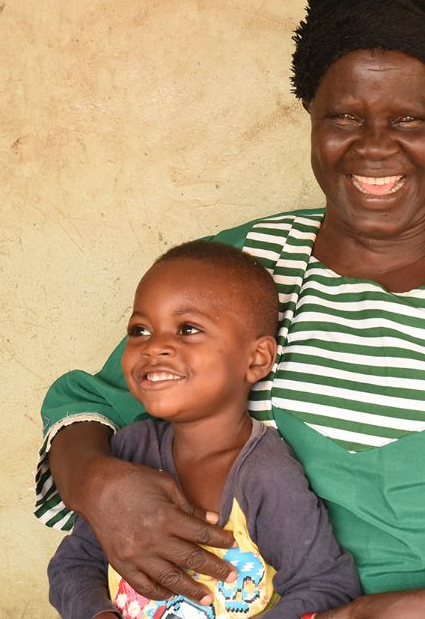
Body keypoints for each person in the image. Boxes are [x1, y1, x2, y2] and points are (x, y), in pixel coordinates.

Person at [36, 0, 425, 619]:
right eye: (345, 118)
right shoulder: (239, 270)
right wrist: (98, 483)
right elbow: (96, 406)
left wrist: (413, 614)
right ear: (311, 117)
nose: (375, 147)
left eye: (409, 119)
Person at [47, 241, 360, 619]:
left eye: (188, 329)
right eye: (140, 329)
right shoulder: (129, 451)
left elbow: (326, 586)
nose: (155, 346)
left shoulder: (265, 474)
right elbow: (74, 564)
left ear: (257, 359)